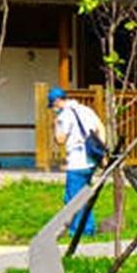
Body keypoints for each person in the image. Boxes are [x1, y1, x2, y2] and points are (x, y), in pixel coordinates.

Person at [48, 86, 105, 238]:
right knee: (82, 195)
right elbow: (100, 127)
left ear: (58, 101)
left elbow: (60, 139)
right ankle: (87, 226)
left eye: (53, 105)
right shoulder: (85, 110)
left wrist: (54, 126)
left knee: (73, 198)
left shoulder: (65, 115)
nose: (53, 109)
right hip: (91, 160)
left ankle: (81, 230)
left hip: (76, 161)